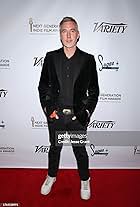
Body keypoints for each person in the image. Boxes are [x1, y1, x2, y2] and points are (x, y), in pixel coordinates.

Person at [38, 16, 99, 200]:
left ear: (78, 34)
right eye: (64, 31)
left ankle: (85, 179)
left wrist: (85, 113)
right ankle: (51, 176)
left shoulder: (88, 60)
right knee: (54, 148)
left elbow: (94, 91)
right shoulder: (50, 57)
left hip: (77, 118)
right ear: (60, 35)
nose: (68, 35)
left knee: (79, 150)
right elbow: (43, 87)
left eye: (72, 30)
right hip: (56, 117)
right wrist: (49, 110)